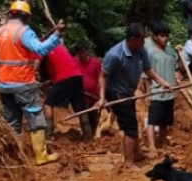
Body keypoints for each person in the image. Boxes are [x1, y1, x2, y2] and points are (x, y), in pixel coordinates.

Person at [0, 0, 65, 166]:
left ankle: (17, 159)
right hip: (23, 82)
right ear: (27, 17)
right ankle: (41, 156)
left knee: (12, 122)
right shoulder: (24, 32)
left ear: (10, 14)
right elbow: (40, 49)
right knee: (36, 118)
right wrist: (57, 34)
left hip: (4, 84)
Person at [102, 23, 176, 170]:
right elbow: (103, 75)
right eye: (141, 40)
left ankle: (136, 153)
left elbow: (148, 70)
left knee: (132, 122)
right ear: (131, 39)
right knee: (130, 127)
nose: (144, 43)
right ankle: (128, 163)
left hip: (128, 91)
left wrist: (162, 83)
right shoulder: (114, 55)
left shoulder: (140, 50)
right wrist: (101, 98)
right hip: (116, 93)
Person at [42, 41, 91, 140]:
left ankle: (48, 136)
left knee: (47, 105)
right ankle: (88, 134)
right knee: (80, 107)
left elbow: (48, 74)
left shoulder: (41, 49)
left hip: (64, 78)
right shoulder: (57, 46)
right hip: (77, 76)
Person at [143, 21, 177, 153]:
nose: (165, 39)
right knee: (152, 120)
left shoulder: (170, 52)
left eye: (166, 36)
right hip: (156, 92)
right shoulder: (150, 53)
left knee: (165, 121)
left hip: (170, 91)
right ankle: (152, 146)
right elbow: (146, 74)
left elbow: (174, 69)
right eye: (162, 36)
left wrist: (176, 79)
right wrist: (148, 93)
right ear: (155, 37)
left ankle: (163, 143)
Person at [73, 42, 105, 136]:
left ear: (87, 51)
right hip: (80, 97)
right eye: (79, 53)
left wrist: (101, 96)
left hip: (93, 97)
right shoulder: (74, 62)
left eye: (83, 52)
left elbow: (100, 78)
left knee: (94, 119)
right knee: (84, 119)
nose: (82, 55)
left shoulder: (95, 63)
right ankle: (87, 138)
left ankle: (92, 136)